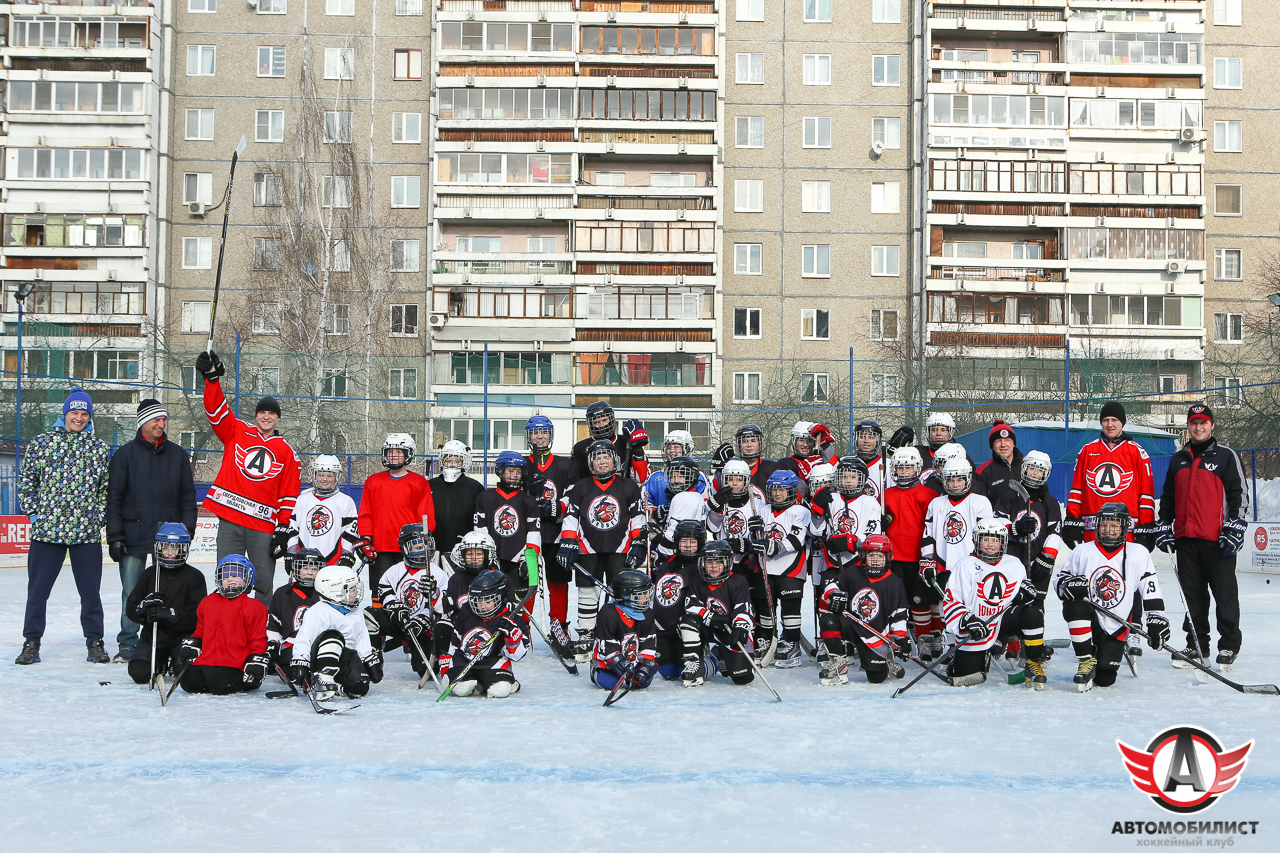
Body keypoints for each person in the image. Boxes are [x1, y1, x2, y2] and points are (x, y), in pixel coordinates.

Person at [15, 387, 112, 665]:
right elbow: (26, 483)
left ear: (89, 417)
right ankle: (31, 642)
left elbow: (107, 490)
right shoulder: (42, 443)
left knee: (90, 593)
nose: (79, 418)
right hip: (47, 533)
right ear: (65, 413)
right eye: (74, 412)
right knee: (37, 592)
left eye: (84, 413)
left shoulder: (99, 449)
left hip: (85, 534)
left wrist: (97, 517)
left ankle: (95, 642)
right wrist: (36, 516)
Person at [195, 350, 301, 601]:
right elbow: (215, 410)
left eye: (271, 413)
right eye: (262, 412)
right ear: (256, 415)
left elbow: (288, 493)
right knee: (227, 574)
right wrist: (212, 380)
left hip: (262, 524)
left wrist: (283, 528)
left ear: (277, 418)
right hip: (231, 517)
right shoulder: (237, 431)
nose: (266, 416)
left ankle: (262, 629)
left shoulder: (287, 452)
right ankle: (227, 621)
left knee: (263, 579)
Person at [1156, 404, 1248, 671]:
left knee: (1224, 594)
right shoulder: (1178, 459)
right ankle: (1197, 644)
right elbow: (1168, 497)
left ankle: (1229, 644)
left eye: (1203, 422)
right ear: (1188, 426)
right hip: (1186, 539)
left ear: (1212, 425)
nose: (1198, 427)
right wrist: (1164, 525)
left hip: (1217, 540)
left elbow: (1239, 495)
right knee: (1192, 597)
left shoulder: (1226, 456)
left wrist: (1235, 527)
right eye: (1194, 423)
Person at [105, 398, 197, 662]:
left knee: (168, 591)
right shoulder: (124, 455)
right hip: (133, 534)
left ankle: (167, 640)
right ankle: (127, 643)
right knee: (132, 590)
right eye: (156, 419)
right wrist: (115, 536)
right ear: (143, 422)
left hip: (169, 537)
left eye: (164, 420)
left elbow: (188, 497)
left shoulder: (178, 455)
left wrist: (186, 531)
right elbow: (114, 498)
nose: (161, 424)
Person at [1055, 503, 1169, 692]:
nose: (1108, 530)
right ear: (1097, 526)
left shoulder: (1138, 553)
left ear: (1124, 527)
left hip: (1118, 622)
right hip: (1089, 617)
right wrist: (1069, 586)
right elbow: (1060, 582)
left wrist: (1157, 620)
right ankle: (1085, 660)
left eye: (1114, 525)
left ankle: (1102, 656)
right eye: (1105, 525)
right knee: (1075, 606)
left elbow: (1150, 589)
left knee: (1105, 679)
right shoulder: (1082, 551)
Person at [558, 440, 646, 662]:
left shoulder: (627, 486)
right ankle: (587, 634)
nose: (602, 461)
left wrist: (638, 542)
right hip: (588, 548)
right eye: (598, 458)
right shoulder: (581, 486)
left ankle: (621, 633)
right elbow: (571, 517)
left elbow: (637, 517)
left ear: (614, 460)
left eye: (606, 457)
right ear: (591, 463)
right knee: (587, 592)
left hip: (620, 549)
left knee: (621, 593)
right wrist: (568, 543)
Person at [941, 518, 1041, 687]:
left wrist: (1027, 593)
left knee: (1033, 612)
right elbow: (952, 600)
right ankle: (957, 655)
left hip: (1003, 621)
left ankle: (1034, 660)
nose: (990, 544)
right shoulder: (965, 565)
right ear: (976, 540)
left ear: (1003, 542)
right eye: (985, 539)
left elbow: (1024, 596)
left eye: (995, 540)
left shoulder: (1014, 563)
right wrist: (966, 620)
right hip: (976, 625)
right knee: (965, 675)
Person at [918, 456, 994, 662]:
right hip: (945, 566)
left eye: (959, 479)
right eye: (950, 480)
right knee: (948, 609)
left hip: (972, 567)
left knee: (975, 608)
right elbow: (928, 536)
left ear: (968, 479)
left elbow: (988, 539)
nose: (955, 484)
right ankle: (951, 647)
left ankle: (979, 646)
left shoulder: (980, 502)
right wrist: (927, 561)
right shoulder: (936, 503)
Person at [991, 450, 1062, 666]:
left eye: (1040, 470)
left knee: (1035, 604)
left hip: (1039, 562)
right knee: (1010, 602)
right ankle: (1005, 638)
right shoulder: (1009, 496)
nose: (1034, 473)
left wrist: (1047, 559)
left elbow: (1055, 533)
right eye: (1032, 468)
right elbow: (996, 526)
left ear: (1046, 474)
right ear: (1024, 468)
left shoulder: (1050, 502)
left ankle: (1030, 647)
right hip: (1012, 561)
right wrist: (1014, 528)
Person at [817, 534, 909, 685]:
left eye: (880, 556)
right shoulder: (853, 572)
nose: (875, 560)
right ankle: (839, 660)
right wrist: (835, 595)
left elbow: (899, 615)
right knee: (828, 621)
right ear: (863, 556)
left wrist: (901, 639)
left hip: (875, 633)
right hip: (852, 624)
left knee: (876, 678)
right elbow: (830, 585)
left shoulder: (895, 583)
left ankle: (885, 663)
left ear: (887, 558)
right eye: (871, 556)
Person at [1063, 402, 1156, 549]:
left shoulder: (1138, 452)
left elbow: (1146, 493)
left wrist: (1146, 524)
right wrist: (1073, 518)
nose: (1110, 424)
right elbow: (1076, 491)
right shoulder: (1087, 451)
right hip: (1092, 531)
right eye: (1106, 420)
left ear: (1122, 423)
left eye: (1114, 420)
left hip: (1126, 532)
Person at [357, 434, 436, 607]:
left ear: (409, 454)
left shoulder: (419, 483)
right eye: (390, 451)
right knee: (379, 591)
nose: (393, 456)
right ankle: (379, 629)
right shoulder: (373, 481)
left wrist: (420, 543)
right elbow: (365, 514)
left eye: (398, 452)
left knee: (408, 590)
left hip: (409, 550)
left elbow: (426, 518)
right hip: (381, 548)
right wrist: (366, 538)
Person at [523, 416, 579, 657]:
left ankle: (559, 627)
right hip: (530, 537)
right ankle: (522, 628)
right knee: (528, 583)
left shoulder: (566, 466)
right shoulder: (522, 465)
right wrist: (529, 496)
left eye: (544, 432)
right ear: (529, 437)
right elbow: (513, 496)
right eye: (535, 433)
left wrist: (557, 507)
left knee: (558, 583)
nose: (540, 436)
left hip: (557, 537)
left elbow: (574, 496)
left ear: (551, 435)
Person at [123, 523, 206, 686]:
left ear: (184, 548)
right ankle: (159, 663)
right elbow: (131, 609)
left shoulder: (195, 577)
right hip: (153, 636)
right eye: (165, 547)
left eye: (174, 548)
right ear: (158, 547)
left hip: (182, 637)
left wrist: (171, 614)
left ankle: (174, 660)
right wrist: (144, 609)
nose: (169, 552)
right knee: (139, 673)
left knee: (186, 673)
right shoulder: (149, 574)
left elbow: (198, 616)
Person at [177, 555, 270, 695]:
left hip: (236, 663)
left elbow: (258, 639)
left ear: (248, 579)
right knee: (188, 682)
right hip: (208, 660)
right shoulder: (208, 602)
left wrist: (255, 662)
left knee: (219, 683)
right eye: (226, 576)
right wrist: (192, 645)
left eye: (236, 576)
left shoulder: (255, 607)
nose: (231, 580)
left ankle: (245, 680)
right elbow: (200, 631)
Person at [289, 564, 383, 700]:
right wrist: (300, 661)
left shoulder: (356, 612)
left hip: (345, 658)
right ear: (336, 591)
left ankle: (338, 688)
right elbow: (304, 640)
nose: (356, 592)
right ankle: (323, 679)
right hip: (319, 661)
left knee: (361, 685)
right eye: (352, 589)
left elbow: (361, 640)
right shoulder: (318, 612)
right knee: (333, 636)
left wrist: (369, 660)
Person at [372, 524, 447, 681]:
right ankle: (372, 659)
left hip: (423, 628)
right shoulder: (394, 571)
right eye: (417, 547)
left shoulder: (438, 574)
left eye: (425, 546)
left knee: (426, 671)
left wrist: (426, 618)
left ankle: (412, 644)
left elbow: (443, 606)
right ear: (405, 548)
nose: (423, 550)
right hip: (400, 621)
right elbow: (384, 590)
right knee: (369, 616)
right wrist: (393, 606)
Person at [439, 569, 528, 698]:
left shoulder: (511, 619)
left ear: (500, 597)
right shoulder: (466, 611)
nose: (482, 606)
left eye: (488, 601)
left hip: (492, 662)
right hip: (464, 660)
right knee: (462, 690)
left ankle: (502, 682)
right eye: (478, 601)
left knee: (500, 691)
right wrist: (448, 663)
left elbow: (517, 655)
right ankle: (479, 684)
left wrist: (513, 638)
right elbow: (456, 640)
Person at [473, 451, 541, 618]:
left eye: (518, 471)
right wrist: (486, 556)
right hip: (493, 559)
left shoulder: (528, 500)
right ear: (500, 471)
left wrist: (528, 558)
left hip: (520, 559)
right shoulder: (485, 497)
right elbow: (480, 530)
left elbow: (534, 531)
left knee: (522, 602)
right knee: (492, 600)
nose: (514, 475)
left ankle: (523, 633)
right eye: (510, 470)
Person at [678, 540, 755, 687]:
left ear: (728, 563)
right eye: (709, 562)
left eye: (719, 562)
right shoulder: (697, 581)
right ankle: (694, 666)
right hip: (710, 628)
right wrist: (710, 616)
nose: (713, 567)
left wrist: (740, 627)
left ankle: (716, 657)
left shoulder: (738, 581)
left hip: (730, 631)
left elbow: (743, 607)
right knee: (687, 621)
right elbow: (691, 605)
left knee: (742, 677)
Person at [755, 470, 811, 667]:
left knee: (790, 608)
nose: (778, 494)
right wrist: (753, 534)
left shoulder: (801, 511)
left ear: (792, 491)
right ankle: (768, 640)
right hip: (766, 568)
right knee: (765, 607)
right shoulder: (763, 509)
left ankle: (791, 643)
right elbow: (756, 539)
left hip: (791, 568)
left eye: (782, 490)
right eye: (774, 490)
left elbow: (796, 539)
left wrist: (773, 546)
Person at [882, 447, 937, 639]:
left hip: (918, 557)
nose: (904, 472)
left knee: (920, 600)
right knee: (894, 600)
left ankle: (924, 639)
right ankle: (897, 636)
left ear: (918, 468)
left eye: (908, 468)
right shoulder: (885, 494)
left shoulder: (928, 495)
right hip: (893, 557)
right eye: (900, 468)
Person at [651, 520, 703, 680]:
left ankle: (713, 659)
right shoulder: (665, 566)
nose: (688, 546)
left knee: (684, 670)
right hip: (662, 629)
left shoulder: (701, 567)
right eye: (683, 541)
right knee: (668, 673)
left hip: (685, 630)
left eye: (692, 542)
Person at [590, 570, 658, 692]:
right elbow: (607, 649)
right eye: (643, 594)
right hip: (607, 662)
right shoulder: (609, 613)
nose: (647, 597)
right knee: (610, 683)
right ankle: (595, 671)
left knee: (643, 682)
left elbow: (648, 643)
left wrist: (645, 665)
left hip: (633, 660)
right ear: (627, 596)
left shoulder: (646, 613)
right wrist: (621, 665)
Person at [437, 530, 501, 659]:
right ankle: (445, 662)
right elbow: (445, 607)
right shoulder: (456, 578)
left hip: (489, 626)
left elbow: (508, 610)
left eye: (479, 553)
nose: (474, 558)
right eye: (470, 554)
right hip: (462, 625)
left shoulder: (499, 578)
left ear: (489, 554)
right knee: (442, 627)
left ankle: (493, 659)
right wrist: (433, 593)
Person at [286, 455, 358, 567]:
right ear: (314, 475)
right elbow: (293, 529)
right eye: (320, 475)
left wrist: (347, 555)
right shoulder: (303, 499)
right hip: (304, 563)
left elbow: (349, 532)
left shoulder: (345, 501)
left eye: (330, 475)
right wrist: (291, 553)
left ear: (337, 476)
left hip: (333, 563)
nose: (325, 479)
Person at [705, 458, 766, 579]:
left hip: (749, 561)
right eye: (730, 479)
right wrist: (716, 509)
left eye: (739, 479)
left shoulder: (757, 504)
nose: (734, 483)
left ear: (746, 480)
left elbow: (763, 534)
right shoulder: (721, 501)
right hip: (723, 559)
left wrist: (748, 544)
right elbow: (712, 528)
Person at [266, 549, 323, 672]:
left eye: (314, 569)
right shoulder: (283, 593)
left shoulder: (326, 593)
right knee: (289, 669)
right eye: (306, 568)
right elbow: (274, 626)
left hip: (318, 644)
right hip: (292, 643)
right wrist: (273, 643)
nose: (309, 573)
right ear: (297, 569)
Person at [428, 440, 484, 566]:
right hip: (434, 548)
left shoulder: (474, 487)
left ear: (464, 462)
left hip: (464, 549)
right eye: (448, 460)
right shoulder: (430, 486)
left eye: (457, 460)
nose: (452, 464)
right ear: (442, 461)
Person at [571, 401, 649, 483]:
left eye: (604, 420)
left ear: (611, 419)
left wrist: (638, 450)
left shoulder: (626, 442)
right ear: (590, 424)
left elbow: (641, 479)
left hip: (623, 493)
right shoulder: (580, 448)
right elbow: (575, 481)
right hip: (592, 493)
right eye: (596, 422)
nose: (601, 425)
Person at [652, 456, 709, 558]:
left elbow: (672, 536)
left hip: (677, 556)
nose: (675, 481)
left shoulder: (684, 497)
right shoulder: (696, 496)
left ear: (692, 477)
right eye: (673, 476)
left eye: (680, 476)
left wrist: (660, 552)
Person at [773, 421, 838, 492]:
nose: (805, 445)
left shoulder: (822, 459)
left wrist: (825, 444)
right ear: (794, 441)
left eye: (809, 441)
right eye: (801, 440)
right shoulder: (784, 464)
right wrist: (803, 477)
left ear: (815, 442)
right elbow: (784, 494)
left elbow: (836, 472)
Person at [973, 420, 1023, 502]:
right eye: (998, 441)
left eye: (1007, 440)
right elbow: (979, 504)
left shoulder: (1028, 466)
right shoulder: (982, 472)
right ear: (992, 445)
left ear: (1013, 443)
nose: (1003, 444)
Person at [852, 420, 886, 500]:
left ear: (877, 440)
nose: (866, 441)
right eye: (862, 437)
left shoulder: (887, 464)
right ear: (856, 439)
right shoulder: (846, 463)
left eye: (871, 437)